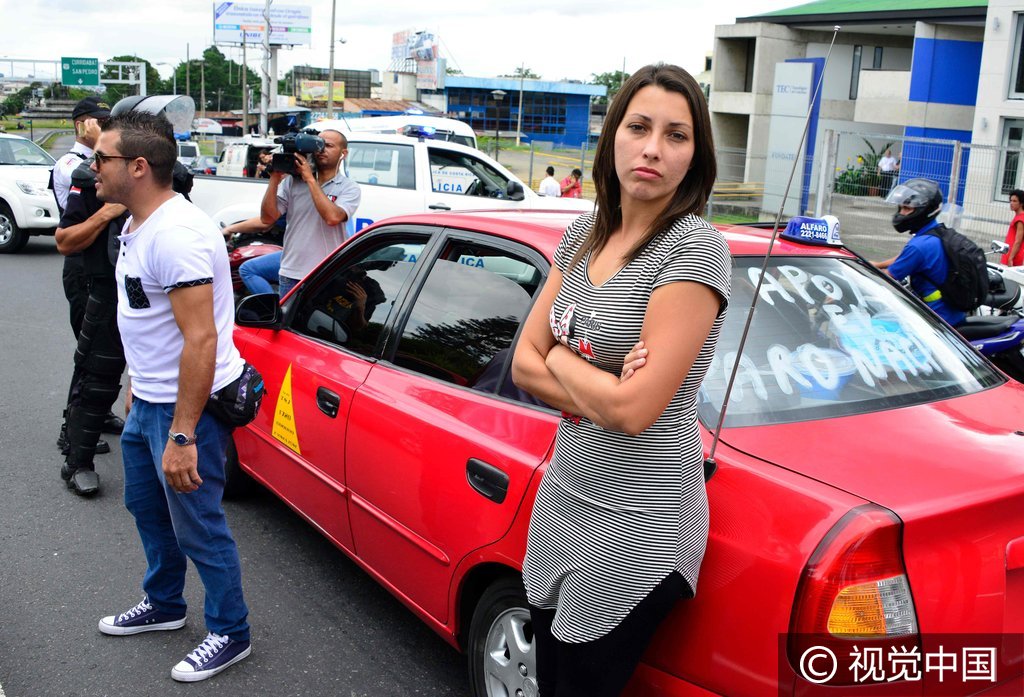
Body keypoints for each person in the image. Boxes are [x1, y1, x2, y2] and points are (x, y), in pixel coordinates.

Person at [510, 63, 731, 696]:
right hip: (565, 499)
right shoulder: (583, 232)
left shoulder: (694, 251)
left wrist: (558, 356)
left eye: (677, 135)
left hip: (644, 523)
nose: (654, 149)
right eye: (639, 127)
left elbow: (634, 412)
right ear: (613, 137)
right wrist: (590, 373)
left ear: (696, 155)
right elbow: (521, 360)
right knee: (550, 678)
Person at [92, 110, 251, 682]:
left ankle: (231, 631)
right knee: (147, 507)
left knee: (197, 524)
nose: (92, 168)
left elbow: (201, 338)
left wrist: (183, 433)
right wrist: (140, 386)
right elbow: (149, 320)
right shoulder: (139, 222)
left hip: (186, 410)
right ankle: (164, 604)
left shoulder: (175, 234)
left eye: (101, 159)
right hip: (151, 400)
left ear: (138, 166)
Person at [52, 96, 121, 462]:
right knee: (88, 353)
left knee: (106, 355)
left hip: (103, 262)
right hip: (81, 264)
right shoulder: (71, 163)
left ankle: (101, 411)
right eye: (99, 120)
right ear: (82, 123)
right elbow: (96, 176)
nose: (105, 126)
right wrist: (98, 142)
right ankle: (72, 427)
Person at [259, 129, 361, 297]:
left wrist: (310, 179)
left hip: (327, 274)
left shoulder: (349, 188)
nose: (321, 150)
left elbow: (332, 217)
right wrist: (275, 179)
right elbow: (267, 218)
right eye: (318, 144)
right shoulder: (292, 182)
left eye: (328, 145)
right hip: (291, 273)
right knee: (287, 323)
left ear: (344, 153)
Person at [872, 178, 966, 326]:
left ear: (924, 211)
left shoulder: (918, 246)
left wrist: (851, 281)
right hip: (952, 312)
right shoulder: (936, 233)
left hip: (937, 318)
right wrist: (878, 264)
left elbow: (887, 278)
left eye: (907, 209)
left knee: (879, 323)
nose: (901, 214)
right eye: (901, 208)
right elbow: (906, 258)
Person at [1002, 188, 1024, 267]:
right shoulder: (1018, 217)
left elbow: (1018, 241)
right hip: (1009, 253)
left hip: (1013, 256)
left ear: (1021, 203)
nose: (1011, 203)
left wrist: (1010, 258)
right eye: (1011, 200)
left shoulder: (1020, 219)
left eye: (1014, 201)